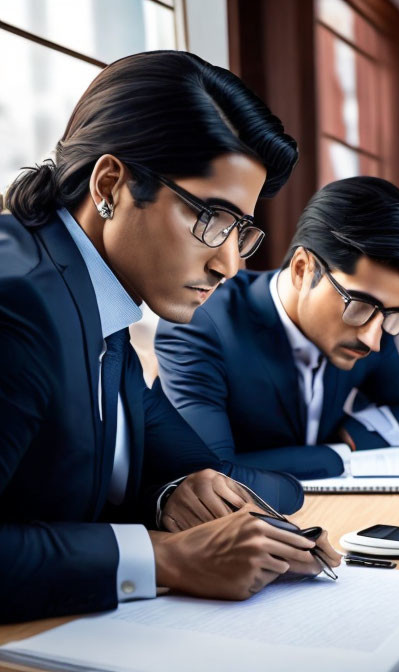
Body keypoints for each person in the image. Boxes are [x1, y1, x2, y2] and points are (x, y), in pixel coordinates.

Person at [0, 51, 339, 625]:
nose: (229, 264)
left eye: (242, 231)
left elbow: (222, 473)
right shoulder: (20, 300)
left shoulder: (102, 310)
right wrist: (167, 558)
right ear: (112, 184)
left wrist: (176, 493)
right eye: (210, 218)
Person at [155, 176, 399, 480]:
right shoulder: (202, 323)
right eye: (359, 306)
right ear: (302, 270)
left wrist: (350, 439)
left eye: (391, 315)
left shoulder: (373, 323)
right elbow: (212, 475)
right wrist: (333, 457)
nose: (373, 341)